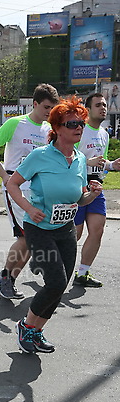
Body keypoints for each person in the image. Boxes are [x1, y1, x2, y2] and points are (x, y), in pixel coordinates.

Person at [6, 95, 103, 354]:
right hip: (39, 230)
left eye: (81, 123)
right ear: (57, 128)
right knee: (55, 282)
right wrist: (28, 208)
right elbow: (12, 184)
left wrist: (91, 195)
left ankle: (36, 331)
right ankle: (25, 326)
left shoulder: (80, 159)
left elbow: (80, 198)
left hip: (65, 230)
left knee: (62, 284)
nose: (79, 128)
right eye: (72, 124)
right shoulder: (40, 156)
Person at [0, 83, 60, 299]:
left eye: (52, 108)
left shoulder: (48, 130)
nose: (49, 112)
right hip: (16, 186)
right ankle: (6, 276)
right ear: (34, 104)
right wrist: (4, 176)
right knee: (26, 237)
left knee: (31, 237)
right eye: (46, 107)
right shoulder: (15, 123)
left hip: (38, 188)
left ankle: (9, 280)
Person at [73, 93, 120, 287]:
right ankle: (49, 264)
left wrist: (111, 165)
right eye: (99, 105)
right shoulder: (78, 130)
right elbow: (66, 157)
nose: (103, 108)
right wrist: (86, 161)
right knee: (74, 234)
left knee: (97, 229)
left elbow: (102, 161)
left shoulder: (103, 133)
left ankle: (82, 273)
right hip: (76, 185)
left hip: (96, 185)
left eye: (105, 105)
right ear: (88, 109)